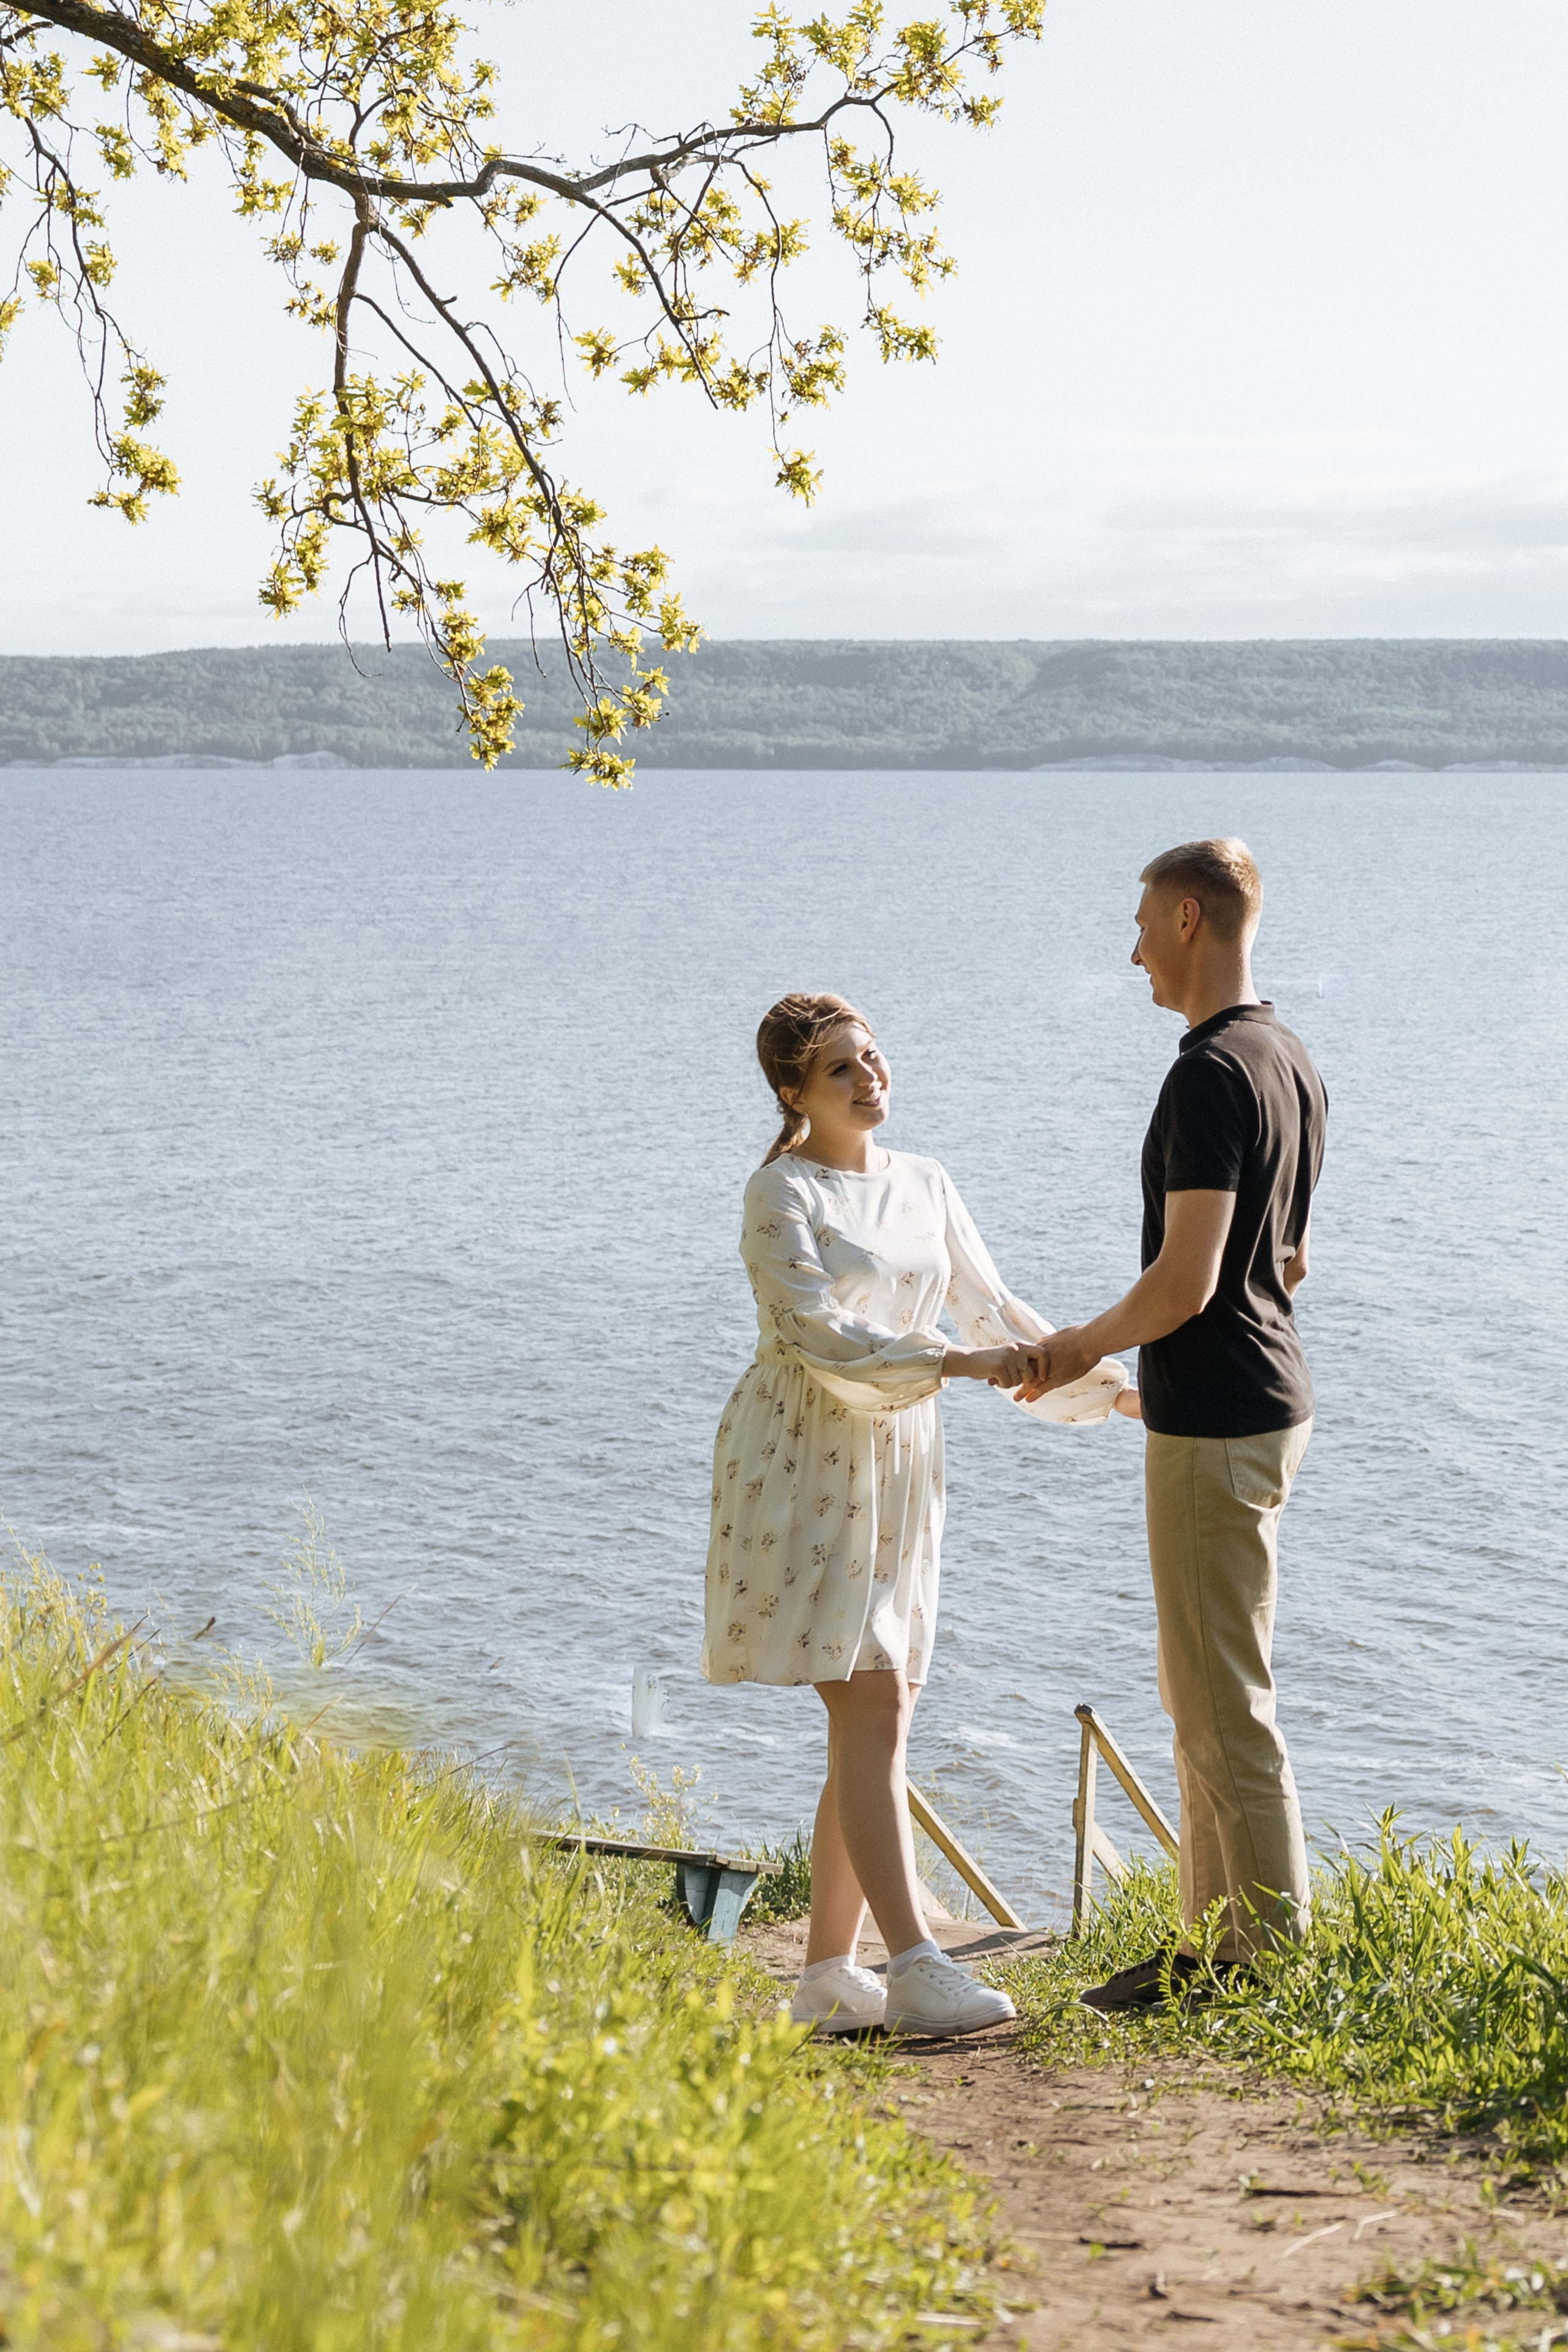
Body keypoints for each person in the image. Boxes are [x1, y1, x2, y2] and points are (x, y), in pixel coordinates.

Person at [703, 992, 1133, 2037]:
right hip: (808, 1452)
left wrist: (1115, 1390)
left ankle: (824, 1977)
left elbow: (996, 1312)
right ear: (793, 1092)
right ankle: (913, 1963)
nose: (870, 1078)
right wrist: (962, 1363)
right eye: (842, 1069)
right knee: (874, 1705)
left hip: (902, 1457)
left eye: (875, 1058)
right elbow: (818, 1333)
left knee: (877, 1713)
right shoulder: (780, 1191)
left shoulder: (926, 1182)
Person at [1018, 839, 1327, 2009]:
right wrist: (1166, 1373)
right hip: (1252, 1400)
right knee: (1198, 1685)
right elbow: (1289, 1258)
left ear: (1190, 917)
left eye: (1143, 921)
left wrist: (1074, 1352)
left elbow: (1189, 1279)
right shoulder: (1287, 1056)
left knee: (1224, 1697)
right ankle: (1210, 1947)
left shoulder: (1208, 1072)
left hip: (1220, 1420)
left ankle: (1262, 1967)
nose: (1133, 947)